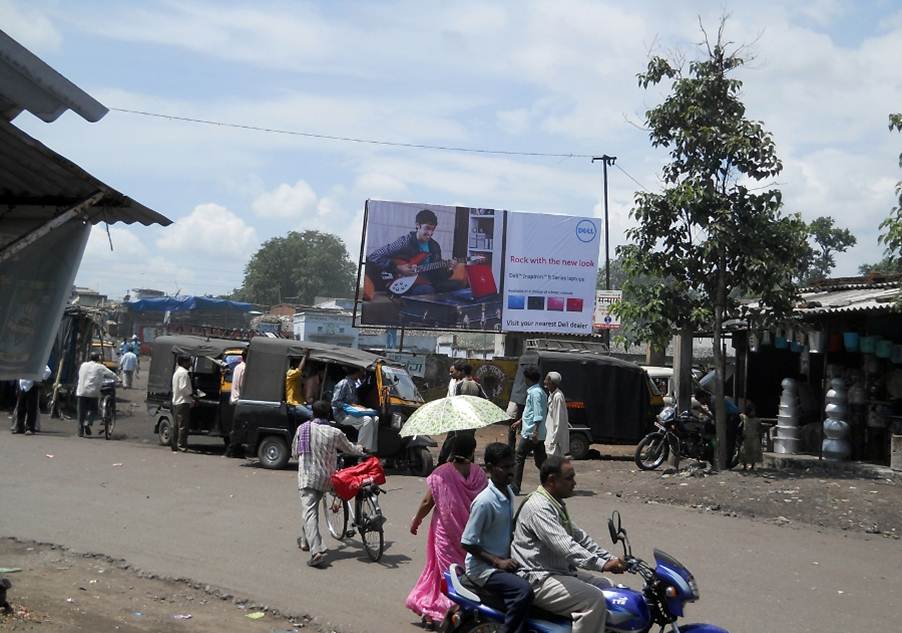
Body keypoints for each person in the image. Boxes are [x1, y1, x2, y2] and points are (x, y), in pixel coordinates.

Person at [511, 456, 627, 633]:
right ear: (552, 480)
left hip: (558, 571)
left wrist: (610, 559)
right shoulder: (539, 507)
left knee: (610, 588)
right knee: (593, 599)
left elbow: (580, 538)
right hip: (538, 577)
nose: (574, 482)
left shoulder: (554, 503)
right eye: (569, 478)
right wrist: (602, 564)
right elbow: (565, 546)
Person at [406, 434, 488, 629]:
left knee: (443, 573)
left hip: (446, 533)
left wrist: (416, 520)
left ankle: (445, 611)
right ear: (472, 451)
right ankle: (450, 607)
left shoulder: (442, 473)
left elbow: (428, 502)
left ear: (451, 450)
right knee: (463, 573)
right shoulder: (479, 474)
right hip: (471, 535)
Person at [461, 443, 533, 633]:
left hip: (504, 561)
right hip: (483, 569)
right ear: (490, 469)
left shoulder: (508, 492)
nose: (511, 472)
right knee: (523, 591)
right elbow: (467, 542)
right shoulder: (484, 502)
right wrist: (497, 562)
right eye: (505, 467)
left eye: (512, 466)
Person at [291, 400, 363, 569]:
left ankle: (316, 552)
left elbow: (295, 453)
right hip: (328, 479)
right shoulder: (334, 432)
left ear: (312, 414)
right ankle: (304, 541)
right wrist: (361, 449)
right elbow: (350, 449)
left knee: (309, 512)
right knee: (310, 511)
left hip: (308, 478)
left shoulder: (302, 429)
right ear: (329, 414)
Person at [368, 208, 459, 296]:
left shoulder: (434, 246)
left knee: (455, 285)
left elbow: (438, 274)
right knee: (426, 290)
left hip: (429, 281)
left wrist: (448, 268)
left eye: (433, 229)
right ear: (417, 225)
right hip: (406, 282)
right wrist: (397, 267)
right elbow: (374, 256)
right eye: (427, 228)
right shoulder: (404, 242)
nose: (430, 233)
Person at [511, 366, 547, 494]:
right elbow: (530, 411)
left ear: (528, 379)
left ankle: (515, 486)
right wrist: (520, 421)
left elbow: (538, 413)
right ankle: (551, 482)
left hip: (531, 433)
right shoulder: (538, 391)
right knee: (541, 462)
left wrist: (535, 432)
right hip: (535, 432)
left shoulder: (535, 393)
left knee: (519, 456)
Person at [331, 366, 378, 453]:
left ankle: (371, 449)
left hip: (352, 413)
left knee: (375, 418)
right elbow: (335, 402)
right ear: (357, 372)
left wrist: (359, 407)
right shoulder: (343, 384)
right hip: (342, 415)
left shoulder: (353, 383)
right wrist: (349, 407)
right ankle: (360, 450)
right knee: (366, 420)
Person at [76, 353, 117, 437]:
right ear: (98, 359)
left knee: (81, 412)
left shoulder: (83, 365)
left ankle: (80, 430)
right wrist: (119, 379)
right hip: (93, 392)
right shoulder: (100, 366)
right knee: (94, 410)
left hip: (81, 391)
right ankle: (87, 422)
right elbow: (111, 374)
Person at [12, 365, 51, 435]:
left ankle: (30, 428)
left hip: (32, 385)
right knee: (20, 408)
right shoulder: (23, 361)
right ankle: (19, 427)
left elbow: (48, 371)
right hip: (22, 385)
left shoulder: (38, 360)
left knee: (31, 409)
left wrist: (39, 378)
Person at [543, 372, 569, 458]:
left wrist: (553, 441)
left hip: (554, 441)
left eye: (547, 379)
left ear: (552, 382)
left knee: (554, 466)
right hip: (550, 436)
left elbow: (559, 420)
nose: (545, 381)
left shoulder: (558, 397)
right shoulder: (551, 395)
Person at [171, 356, 194, 452]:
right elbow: (183, 388)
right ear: (184, 362)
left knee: (176, 425)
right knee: (183, 426)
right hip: (183, 401)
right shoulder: (184, 373)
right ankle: (181, 446)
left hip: (176, 401)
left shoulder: (177, 372)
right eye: (189, 362)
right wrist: (192, 394)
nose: (190, 364)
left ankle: (174, 445)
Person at [286, 355, 312, 422]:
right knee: (312, 415)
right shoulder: (290, 373)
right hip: (293, 405)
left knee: (318, 411)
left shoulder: (299, 377)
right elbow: (298, 370)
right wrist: (304, 356)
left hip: (301, 403)